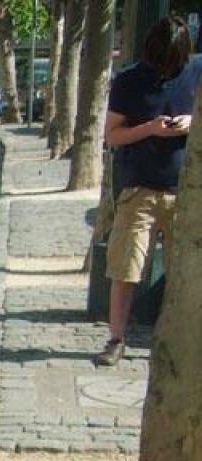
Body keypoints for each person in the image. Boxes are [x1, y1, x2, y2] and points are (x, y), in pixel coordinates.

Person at [97, 16, 194, 367]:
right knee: (126, 267)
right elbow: (113, 135)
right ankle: (116, 338)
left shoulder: (194, 74)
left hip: (185, 192)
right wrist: (150, 129)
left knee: (184, 271)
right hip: (140, 189)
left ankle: (179, 342)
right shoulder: (129, 81)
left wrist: (190, 123)